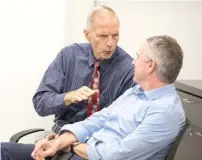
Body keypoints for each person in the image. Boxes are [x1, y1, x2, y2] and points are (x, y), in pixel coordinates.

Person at [1, 35, 185, 160]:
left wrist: (73, 147)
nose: (133, 61)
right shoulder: (136, 92)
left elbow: (117, 154)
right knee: (3, 150)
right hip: (78, 148)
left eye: (138, 57)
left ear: (150, 65)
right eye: (102, 35)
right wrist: (59, 142)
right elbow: (99, 119)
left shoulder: (165, 112)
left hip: (85, 154)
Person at [32, 5, 134, 133]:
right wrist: (67, 98)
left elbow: (126, 122)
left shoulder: (129, 69)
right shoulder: (68, 55)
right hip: (61, 133)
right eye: (103, 36)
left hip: (100, 141)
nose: (110, 43)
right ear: (87, 35)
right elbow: (40, 103)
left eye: (115, 35)